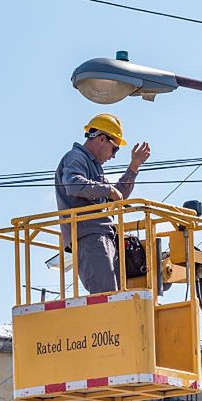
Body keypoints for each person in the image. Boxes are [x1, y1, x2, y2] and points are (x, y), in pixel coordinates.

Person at [55, 113, 151, 294]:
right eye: (114, 149)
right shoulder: (76, 157)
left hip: (100, 236)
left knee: (115, 295)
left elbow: (117, 196)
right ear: (101, 139)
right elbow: (73, 184)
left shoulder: (93, 166)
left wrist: (133, 167)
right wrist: (107, 190)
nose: (113, 156)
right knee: (106, 295)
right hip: (89, 235)